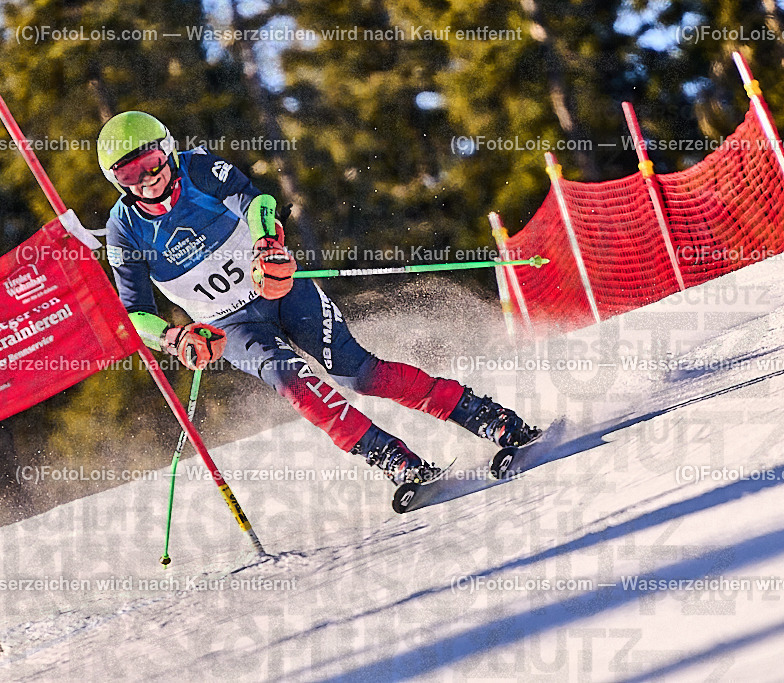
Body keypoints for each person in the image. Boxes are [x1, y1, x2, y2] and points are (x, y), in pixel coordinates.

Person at [98, 111, 538, 486]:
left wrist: (267, 244)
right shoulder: (123, 229)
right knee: (293, 382)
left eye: (151, 164)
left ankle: (481, 414)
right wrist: (175, 338)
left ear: (168, 151)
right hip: (231, 327)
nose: (147, 180)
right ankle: (392, 457)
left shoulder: (197, 168)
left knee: (359, 374)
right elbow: (134, 313)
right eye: (129, 175)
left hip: (279, 289)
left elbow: (256, 202)